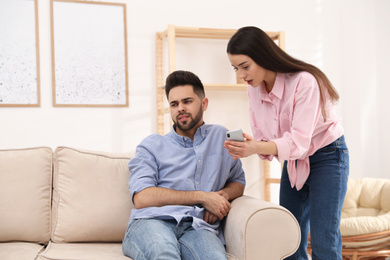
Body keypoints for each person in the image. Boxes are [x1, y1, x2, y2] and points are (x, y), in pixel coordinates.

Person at [224, 26, 349, 260]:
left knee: (324, 241)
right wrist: (253, 144)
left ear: (262, 56)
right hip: (293, 161)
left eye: (245, 66)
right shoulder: (254, 90)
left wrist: (257, 148)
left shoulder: (305, 82)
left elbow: (299, 142)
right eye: (236, 68)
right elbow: (267, 139)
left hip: (328, 156)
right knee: (288, 240)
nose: (241, 75)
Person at [122, 70, 246, 260]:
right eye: (174, 104)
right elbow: (142, 197)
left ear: (204, 104)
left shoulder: (222, 137)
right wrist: (203, 198)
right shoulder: (151, 145)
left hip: (199, 226)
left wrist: (221, 198)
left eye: (187, 101)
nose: (180, 108)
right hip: (153, 222)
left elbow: (238, 181)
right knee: (163, 254)